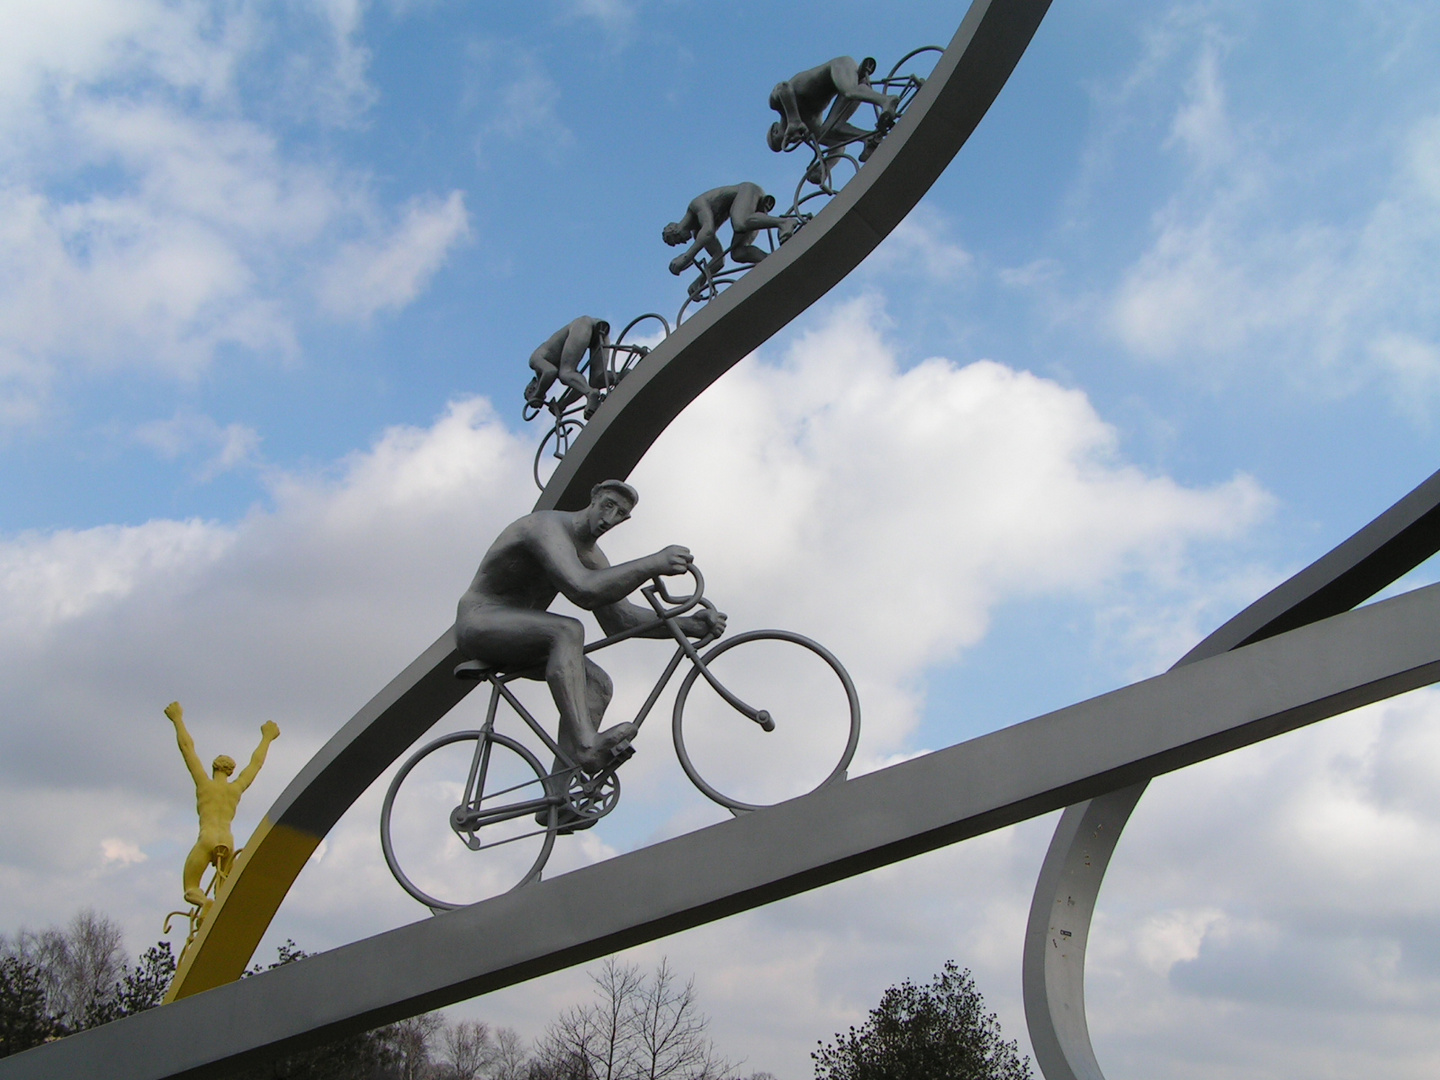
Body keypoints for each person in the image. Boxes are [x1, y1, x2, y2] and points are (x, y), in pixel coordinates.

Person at [455, 481, 725, 785]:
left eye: (619, 514)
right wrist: (652, 563)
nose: (609, 519)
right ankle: (587, 745)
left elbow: (620, 619)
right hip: (480, 622)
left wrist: (689, 625)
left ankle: (557, 796)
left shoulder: (591, 556)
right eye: (607, 505)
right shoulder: (545, 527)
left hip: (524, 637)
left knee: (597, 684)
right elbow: (583, 590)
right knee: (567, 630)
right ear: (593, 497)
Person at [165, 702, 279, 911]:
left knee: (191, 888)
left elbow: (188, 749)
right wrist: (267, 738)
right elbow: (255, 764)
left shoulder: (204, 784)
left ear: (214, 767)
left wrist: (177, 719)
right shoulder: (236, 788)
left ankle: (204, 903)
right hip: (228, 840)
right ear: (231, 771)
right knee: (225, 892)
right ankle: (220, 909)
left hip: (207, 838)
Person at [662, 183, 797, 298]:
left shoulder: (695, 206)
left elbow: (708, 230)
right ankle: (772, 261)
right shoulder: (699, 234)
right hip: (744, 212)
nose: (682, 242)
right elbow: (718, 259)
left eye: (675, 240)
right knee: (738, 253)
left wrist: (686, 257)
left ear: (674, 228)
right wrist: (700, 280)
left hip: (747, 192)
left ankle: (784, 223)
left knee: (740, 222)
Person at [767, 55, 899, 164]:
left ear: (775, 130)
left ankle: (886, 100)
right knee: (831, 130)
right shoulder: (810, 126)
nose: (791, 140)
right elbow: (837, 146)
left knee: (850, 91)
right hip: (847, 86)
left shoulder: (778, 105)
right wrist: (824, 168)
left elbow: (783, 87)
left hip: (839, 69)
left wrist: (793, 120)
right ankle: (869, 138)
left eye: (783, 140)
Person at [525, 316, 611, 419]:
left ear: (532, 386)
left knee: (565, 373)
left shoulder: (534, 360)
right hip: (598, 326)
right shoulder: (553, 363)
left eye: (530, 393)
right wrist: (562, 404)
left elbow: (550, 372)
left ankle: (590, 393)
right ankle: (623, 375)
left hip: (582, 325)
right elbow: (579, 386)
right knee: (598, 379)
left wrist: (537, 395)